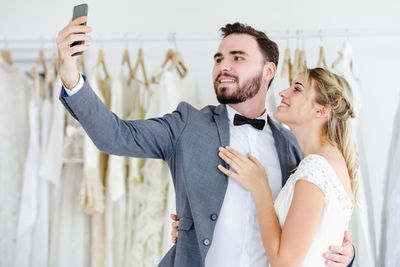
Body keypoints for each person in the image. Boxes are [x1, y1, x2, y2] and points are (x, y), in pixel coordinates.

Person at [57, 17, 355, 266]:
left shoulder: (292, 146)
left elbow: (312, 229)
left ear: (268, 71)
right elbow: (115, 136)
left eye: (237, 58)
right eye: (218, 59)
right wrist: (71, 76)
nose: (223, 67)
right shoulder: (187, 124)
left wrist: (347, 256)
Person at [171, 68, 357, 266]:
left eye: (297, 89)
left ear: (321, 111)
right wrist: (195, 226)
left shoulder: (316, 167)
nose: (282, 93)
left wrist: (261, 190)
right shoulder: (330, 161)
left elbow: (284, 263)